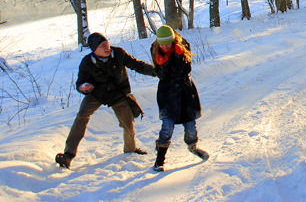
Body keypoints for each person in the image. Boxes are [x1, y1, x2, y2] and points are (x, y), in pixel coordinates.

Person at [55, 33, 157, 169]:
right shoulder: (87, 62)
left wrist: (157, 71)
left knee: (128, 123)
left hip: (118, 93)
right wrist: (83, 87)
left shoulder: (119, 53)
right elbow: (80, 82)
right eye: (103, 45)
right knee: (81, 117)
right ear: (94, 49)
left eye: (107, 43)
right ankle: (68, 155)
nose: (107, 47)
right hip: (96, 94)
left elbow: (137, 65)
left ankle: (130, 150)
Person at [150, 25, 209, 171]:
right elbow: (162, 75)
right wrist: (163, 65)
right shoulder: (156, 51)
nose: (164, 46)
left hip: (185, 93)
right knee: (167, 127)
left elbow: (186, 70)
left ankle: (193, 147)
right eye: (162, 44)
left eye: (167, 43)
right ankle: (160, 159)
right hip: (167, 95)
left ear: (173, 41)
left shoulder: (181, 48)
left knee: (190, 126)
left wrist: (178, 56)